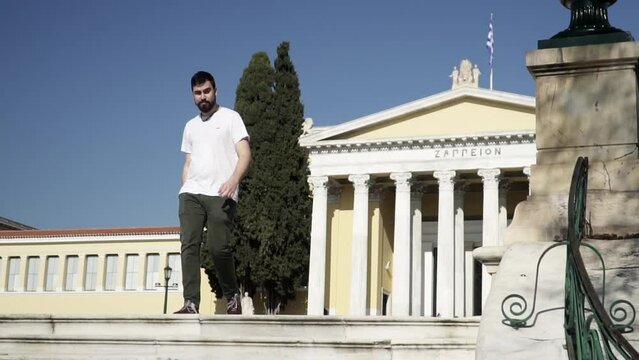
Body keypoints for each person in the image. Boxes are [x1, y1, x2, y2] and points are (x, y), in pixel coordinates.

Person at [174, 71, 251, 315]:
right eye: (198, 93)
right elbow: (188, 162)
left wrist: (233, 181)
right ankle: (191, 302)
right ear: (192, 95)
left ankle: (232, 296)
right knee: (189, 245)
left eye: (206, 91)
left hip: (221, 192)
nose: (202, 96)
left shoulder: (231, 118)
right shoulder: (190, 126)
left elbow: (245, 154)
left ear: (215, 91)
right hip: (192, 193)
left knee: (219, 249)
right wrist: (184, 187)